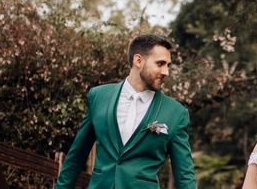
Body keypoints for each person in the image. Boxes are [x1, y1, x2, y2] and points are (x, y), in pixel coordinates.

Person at [55, 34, 196, 189]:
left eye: (168, 65)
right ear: (138, 60)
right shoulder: (98, 96)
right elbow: (77, 156)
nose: (166, 72)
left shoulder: (176, 113)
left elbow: (184, 175)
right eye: (160, 63)